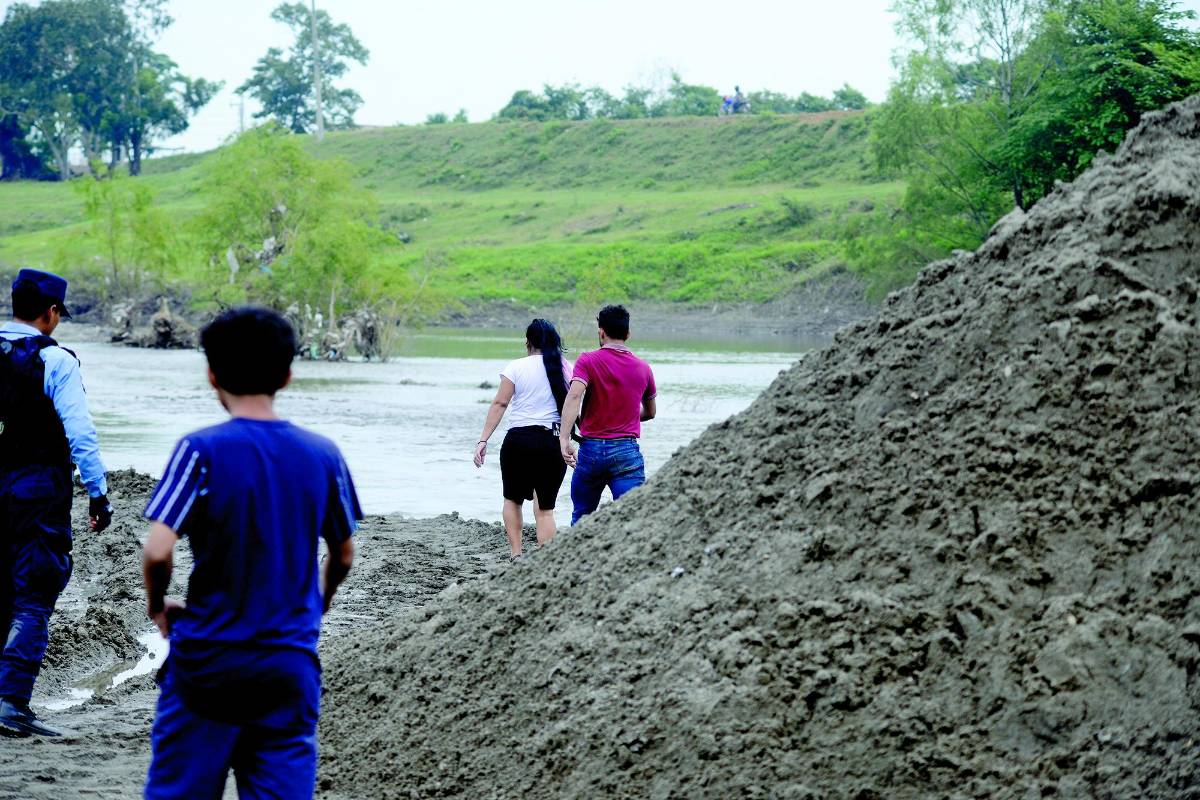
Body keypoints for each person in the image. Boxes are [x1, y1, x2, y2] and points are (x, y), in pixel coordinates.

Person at [141, 307, 360, 799]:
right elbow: (343, 553)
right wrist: (318, 604)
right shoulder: (323, 454)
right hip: (287, 664)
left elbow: (157, 552)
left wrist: (158, 607)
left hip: (208, 661)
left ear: (211, 374)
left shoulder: (199, 450)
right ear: (287, 375)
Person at [0, 269, 111, 738]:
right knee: (33, 596)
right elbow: (80, 433)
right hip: (39, 494)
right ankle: (10, 704)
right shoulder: (57, 361)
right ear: (51, 313)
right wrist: (98, 493)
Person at [474, 319, 571, 556]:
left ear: (528, 342)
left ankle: (516, 554)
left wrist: (483, 439)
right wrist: (569, 439)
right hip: (552, 441)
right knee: (545, 509)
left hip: (518, 441)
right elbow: (574, 405)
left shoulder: (516, 367)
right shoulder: (565, 366)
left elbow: (500, 403)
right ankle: (545, 559)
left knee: (512, 500)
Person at [559, 305, 656, 525]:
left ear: (601, 332)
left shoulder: (587, 360)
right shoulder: (644, 368)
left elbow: (574, 396)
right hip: (626, 451)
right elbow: (651, 412)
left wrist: (564, 438)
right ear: (628, 334)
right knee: (631, 518)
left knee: (582, 516)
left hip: (591, 450)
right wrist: (627, 416)